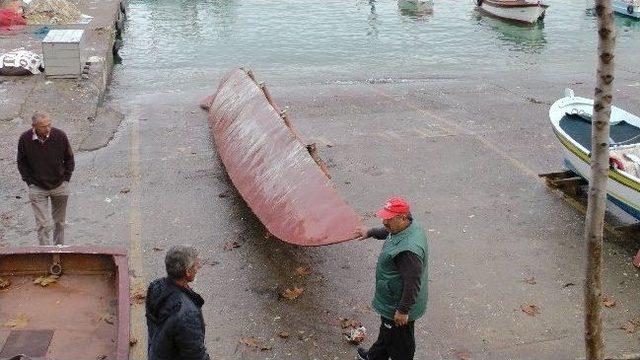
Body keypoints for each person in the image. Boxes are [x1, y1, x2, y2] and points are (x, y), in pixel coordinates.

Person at [354, 197, 429, 360]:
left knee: (402, 344)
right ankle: (375, 357)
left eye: (389, 219)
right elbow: (388, 232)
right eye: (384, 218)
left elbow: (412, 283)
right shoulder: (408, 227)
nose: (385, 222)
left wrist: (403, 310)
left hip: (397, 303)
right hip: (393, 297)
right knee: (387, 330)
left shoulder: (408, 251)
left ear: (402, 217)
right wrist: (370, 232)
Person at [17, 113, 74, 245]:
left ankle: (58, 250)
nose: (48, 129)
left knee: (59, 223)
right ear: (34, 126)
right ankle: (45, 253)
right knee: (43, 225)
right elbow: (21, 162)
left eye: (49, 124)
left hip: (60, 186)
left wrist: (66, 179)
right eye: (43, 126)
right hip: (37, 188)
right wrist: (29, 182)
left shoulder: (60, 135)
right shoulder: (25, 139)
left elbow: (70, 158)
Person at [146, 245, 210, 360]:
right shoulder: (187, 314)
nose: (199, 267)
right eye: (196, 265)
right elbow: (195, 355)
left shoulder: (156, 286)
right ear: (188, 272)